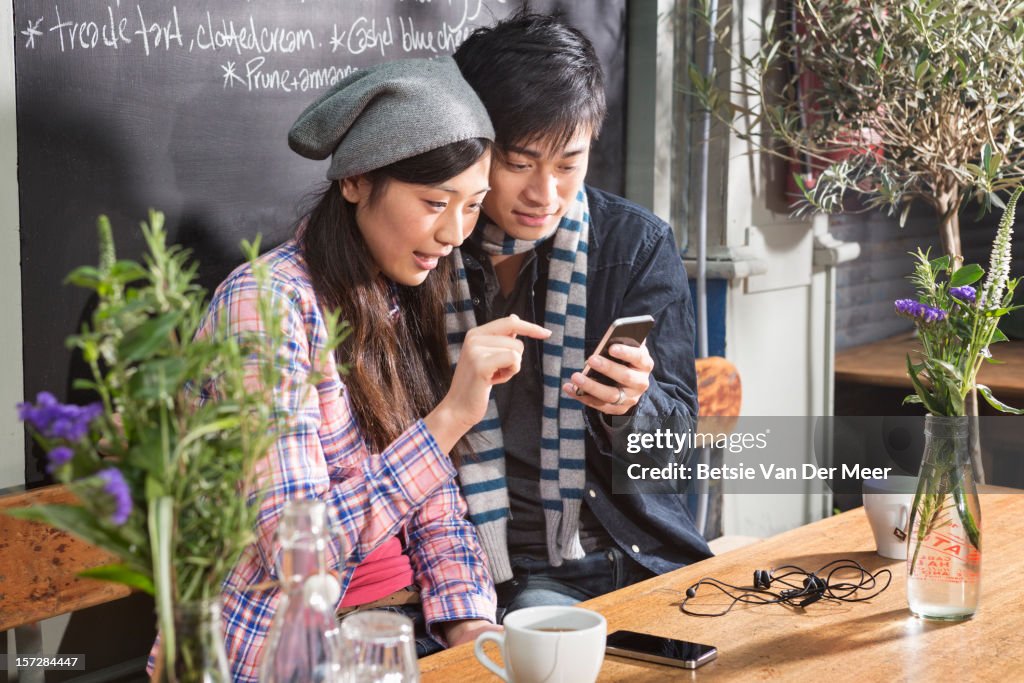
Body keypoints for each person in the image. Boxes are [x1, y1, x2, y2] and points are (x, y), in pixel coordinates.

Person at [188, 58, 548, 682]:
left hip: (410, 637)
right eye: (435, 202)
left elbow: (435, 507)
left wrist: (470, 624)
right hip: (300, 651)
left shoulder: (396, 292)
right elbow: (295, 554)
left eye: (472, 206)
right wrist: (450, 419)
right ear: (355, 182)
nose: (454, 234)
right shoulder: (264, 308)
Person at [449, 13, 713, 612]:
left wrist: (630, 407)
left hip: (621, 553)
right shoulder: (431, 250)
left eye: (568, 164)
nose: (545, 194)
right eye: (519, 164)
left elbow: (674, 444)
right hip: (477, 565)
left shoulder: (634, 246)